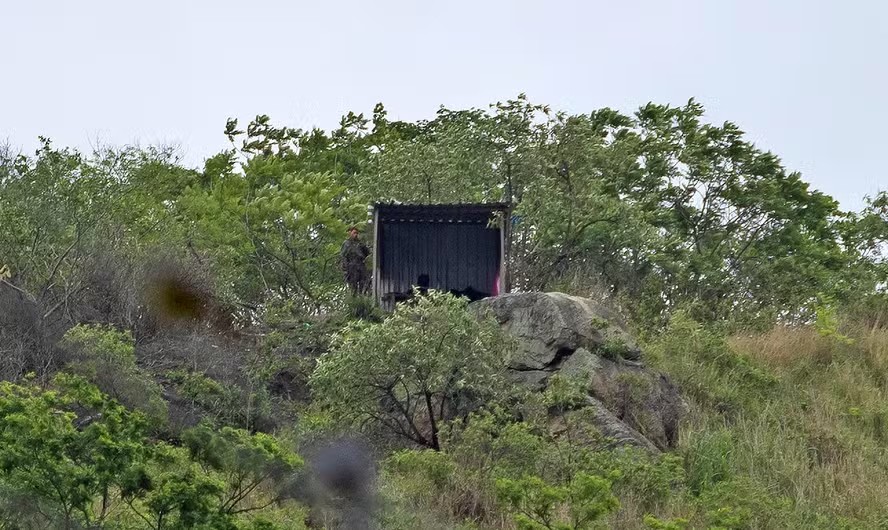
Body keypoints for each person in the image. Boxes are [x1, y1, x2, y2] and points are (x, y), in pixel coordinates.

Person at [340, 226, 370, 295]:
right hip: (351, 265)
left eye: (357, 233)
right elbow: (343, 256)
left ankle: (362, 296)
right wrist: (345, 268)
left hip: (360, 264)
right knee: (353, 284)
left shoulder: (360, 243)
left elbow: (367, 253)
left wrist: (363, 246)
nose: (355, 235)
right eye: (354, 233)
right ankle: (354, 297)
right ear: (350, 233)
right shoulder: (346, 243)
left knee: (363, 282)